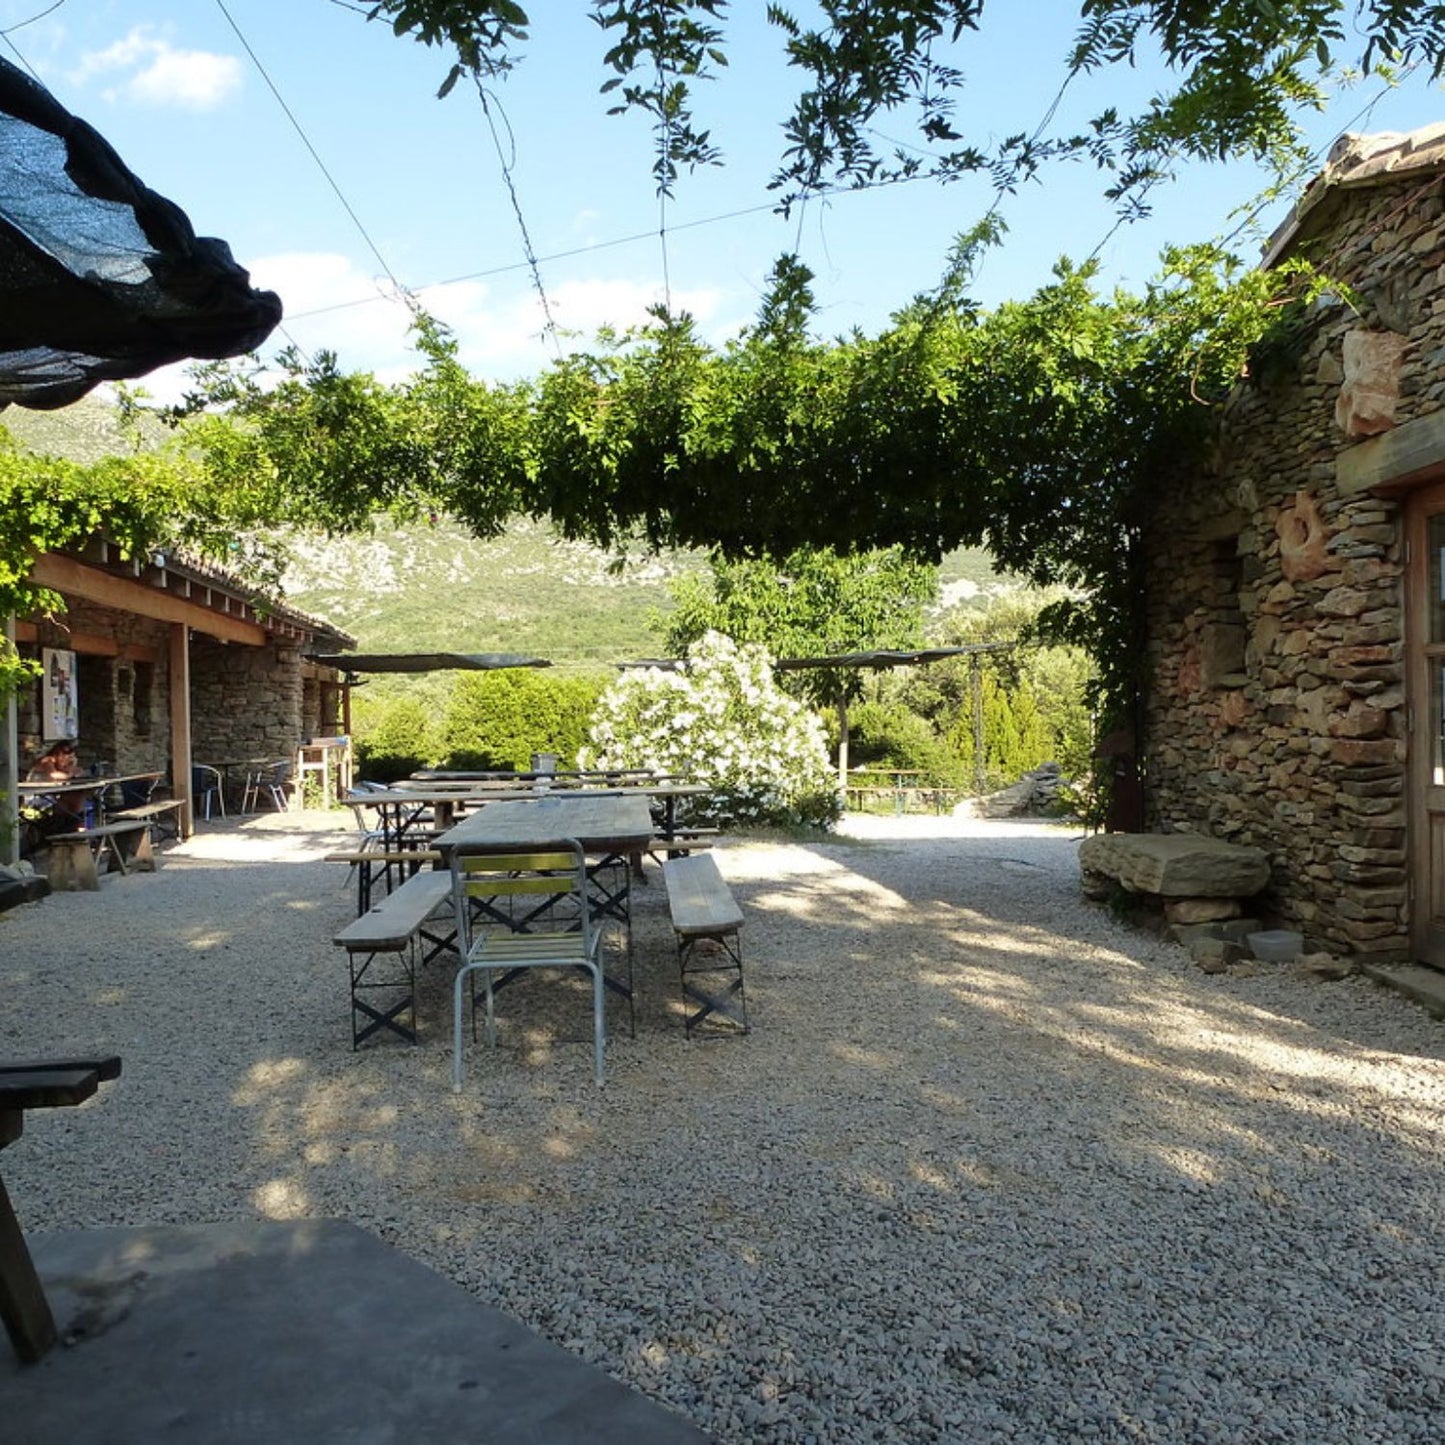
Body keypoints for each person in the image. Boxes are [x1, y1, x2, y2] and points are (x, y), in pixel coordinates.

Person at [26, 738, 85, 831]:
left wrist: (72, 767)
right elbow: (54, 775)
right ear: (59, 755)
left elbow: (73, 773)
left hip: (50, 795)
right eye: (67, 759)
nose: (67, 762)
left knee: (77, 796)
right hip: (37, 797)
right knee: (70, 801)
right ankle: (69, 828)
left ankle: (77, 827)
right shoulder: (47, 761)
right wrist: (70, 774)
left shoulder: (58, 765)